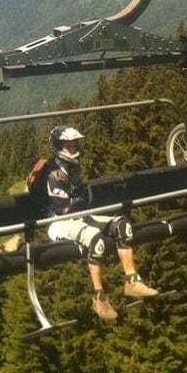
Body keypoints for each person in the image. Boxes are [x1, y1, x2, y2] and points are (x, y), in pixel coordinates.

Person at [45, 125, 159, 320]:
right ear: (59, 146)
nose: (73, 148)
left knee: (123, 227)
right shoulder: (53, 173)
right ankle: (99, 297)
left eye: (75, 144)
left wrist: (83, 200)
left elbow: (81, 198)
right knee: (96, 240)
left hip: (81, 215)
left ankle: (132, 281)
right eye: (69, 145)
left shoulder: (74, 167)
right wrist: (80, 202)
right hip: (61, 222)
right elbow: (63, 208)